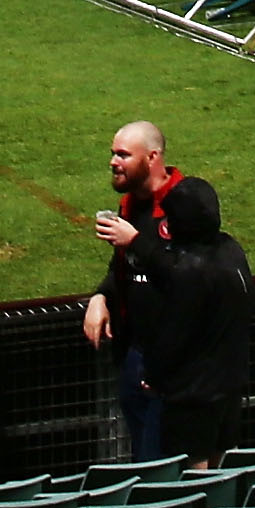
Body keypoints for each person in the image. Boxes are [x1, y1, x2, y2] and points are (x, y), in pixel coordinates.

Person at [134, 176, 251, 470]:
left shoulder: (190, 271)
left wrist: (155, 374)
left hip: (193, 397)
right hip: (230, 386)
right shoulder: (231, 250)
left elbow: (173, 335)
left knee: (196, 483)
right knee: (224, 473)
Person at [80, 119, 177, 455]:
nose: (113, 161)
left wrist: (134, 241)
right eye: (112, 153)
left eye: (123, 154)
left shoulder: (184, 206)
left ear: (152, 158)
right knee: (142, 453)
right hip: (134, 353)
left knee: (160, 464)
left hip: (172, 360)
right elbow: (123, 267)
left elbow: (189, 278)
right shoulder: (131, 204)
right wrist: (101, 296)